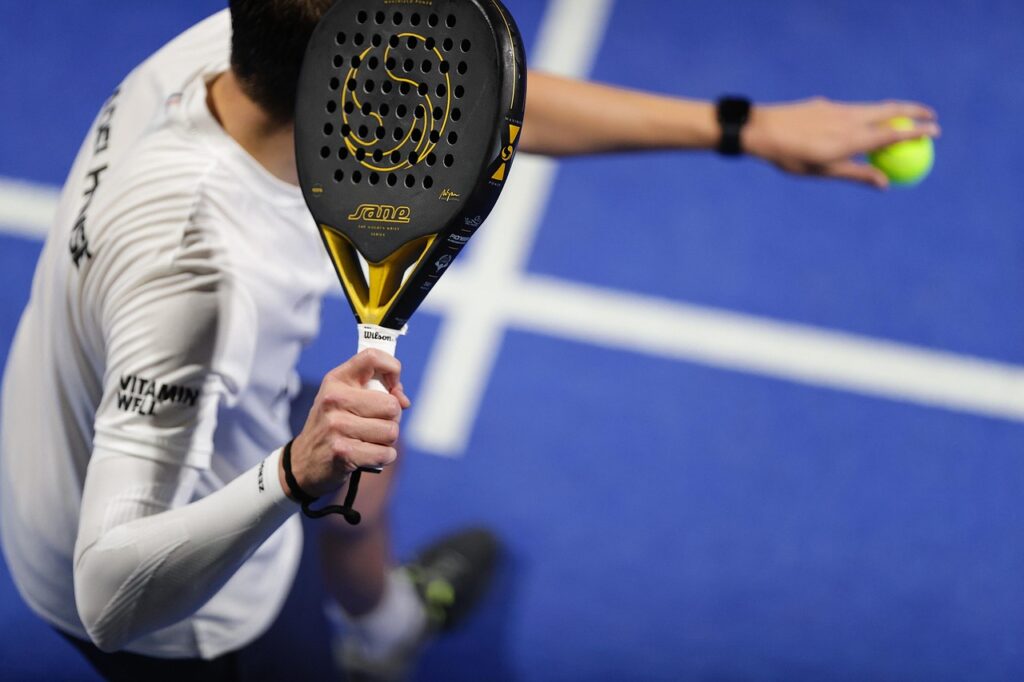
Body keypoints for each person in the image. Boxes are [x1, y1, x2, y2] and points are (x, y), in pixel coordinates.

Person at [0, 1, 939, 681]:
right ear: (361, 80)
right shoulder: (207, 280)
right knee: (332, 472)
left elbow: (485, 94)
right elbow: (109, 594)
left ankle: (385, 626)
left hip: (86, 415)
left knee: (371, 465)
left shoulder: (241, 45)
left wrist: (740, 127)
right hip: (178, 610)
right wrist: (292, 470)